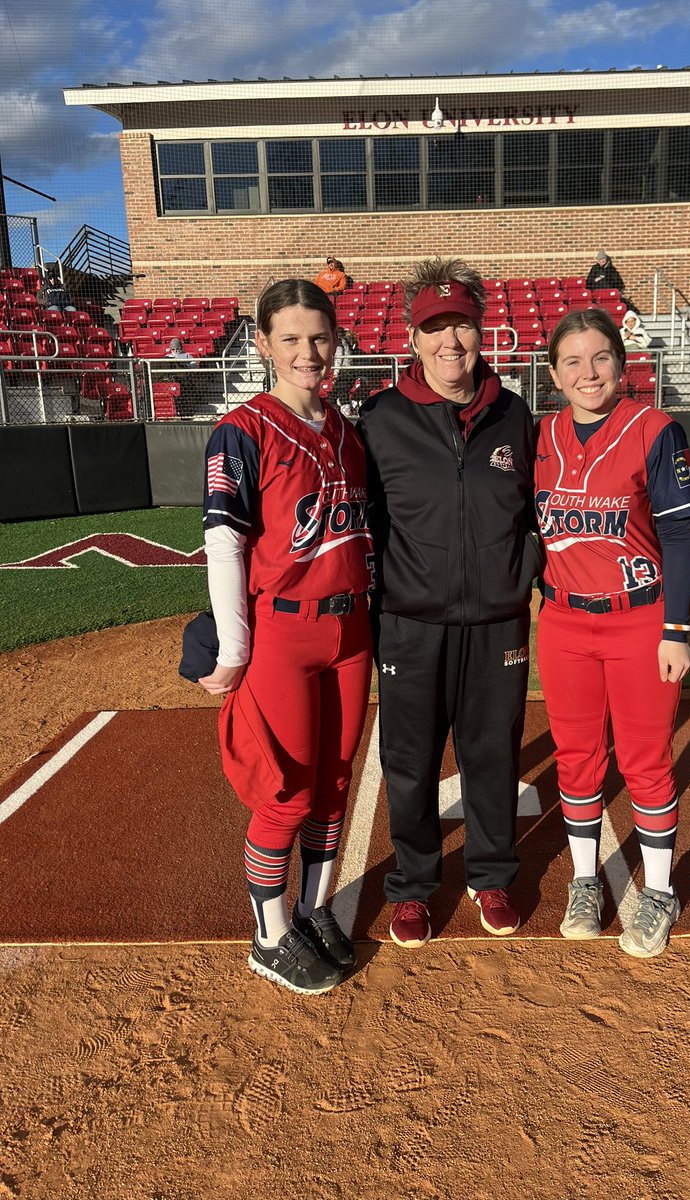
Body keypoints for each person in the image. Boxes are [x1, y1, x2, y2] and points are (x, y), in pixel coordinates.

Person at [356, 257, 540, 948]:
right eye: (435, 328)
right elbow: (363, 521)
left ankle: (490, 874)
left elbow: (536, 511)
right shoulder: (381, 419)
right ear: (412, 338)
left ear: (481, 328)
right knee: (410, 760)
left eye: (460, 324)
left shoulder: (513, 414)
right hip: (410, 622)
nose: (450, 342)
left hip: (497, 622)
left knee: (491, 754)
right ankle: (413, 886)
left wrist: (524, 570)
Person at [199, 278, 373, 995]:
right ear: (264, 343)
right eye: (292, 339)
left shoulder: (346, 432)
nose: (309, 352)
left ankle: (313, 909)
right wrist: (234, 650)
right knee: (286, 793)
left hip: (353, 631)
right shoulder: (242, 431)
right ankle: (269, 937)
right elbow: (224, 546)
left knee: (335, 785)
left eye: (319, 337)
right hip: (285, 635)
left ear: (335, 341)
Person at [534, 307, 690, 957]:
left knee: (644, 760)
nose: (588, 371)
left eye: (600, 357)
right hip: (565, 621)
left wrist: (676, 628)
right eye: (572, 360)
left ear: (621, 364)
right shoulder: (541, 435)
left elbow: (680, 534)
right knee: (576, 760)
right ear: (553, 373)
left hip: (638, 620)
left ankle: (658, 891)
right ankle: (585, 881)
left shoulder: (653, 429)